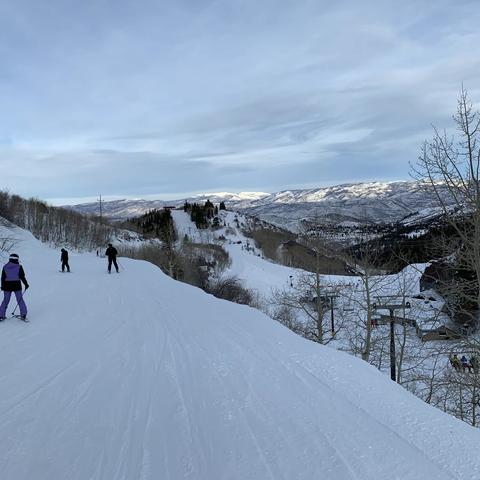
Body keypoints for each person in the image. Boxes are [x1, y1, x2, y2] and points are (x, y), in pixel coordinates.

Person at [0, 253, 29, 320]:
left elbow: (2, 278)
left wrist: (2, 286)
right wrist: (26, 284)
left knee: (5, 300)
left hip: (7, 286)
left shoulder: (5, 267)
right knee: (20, 300)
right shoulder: (19, 267)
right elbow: (22, 277)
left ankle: (1, 315)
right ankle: (23, 315)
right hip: (17, 286)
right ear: (16, 259)